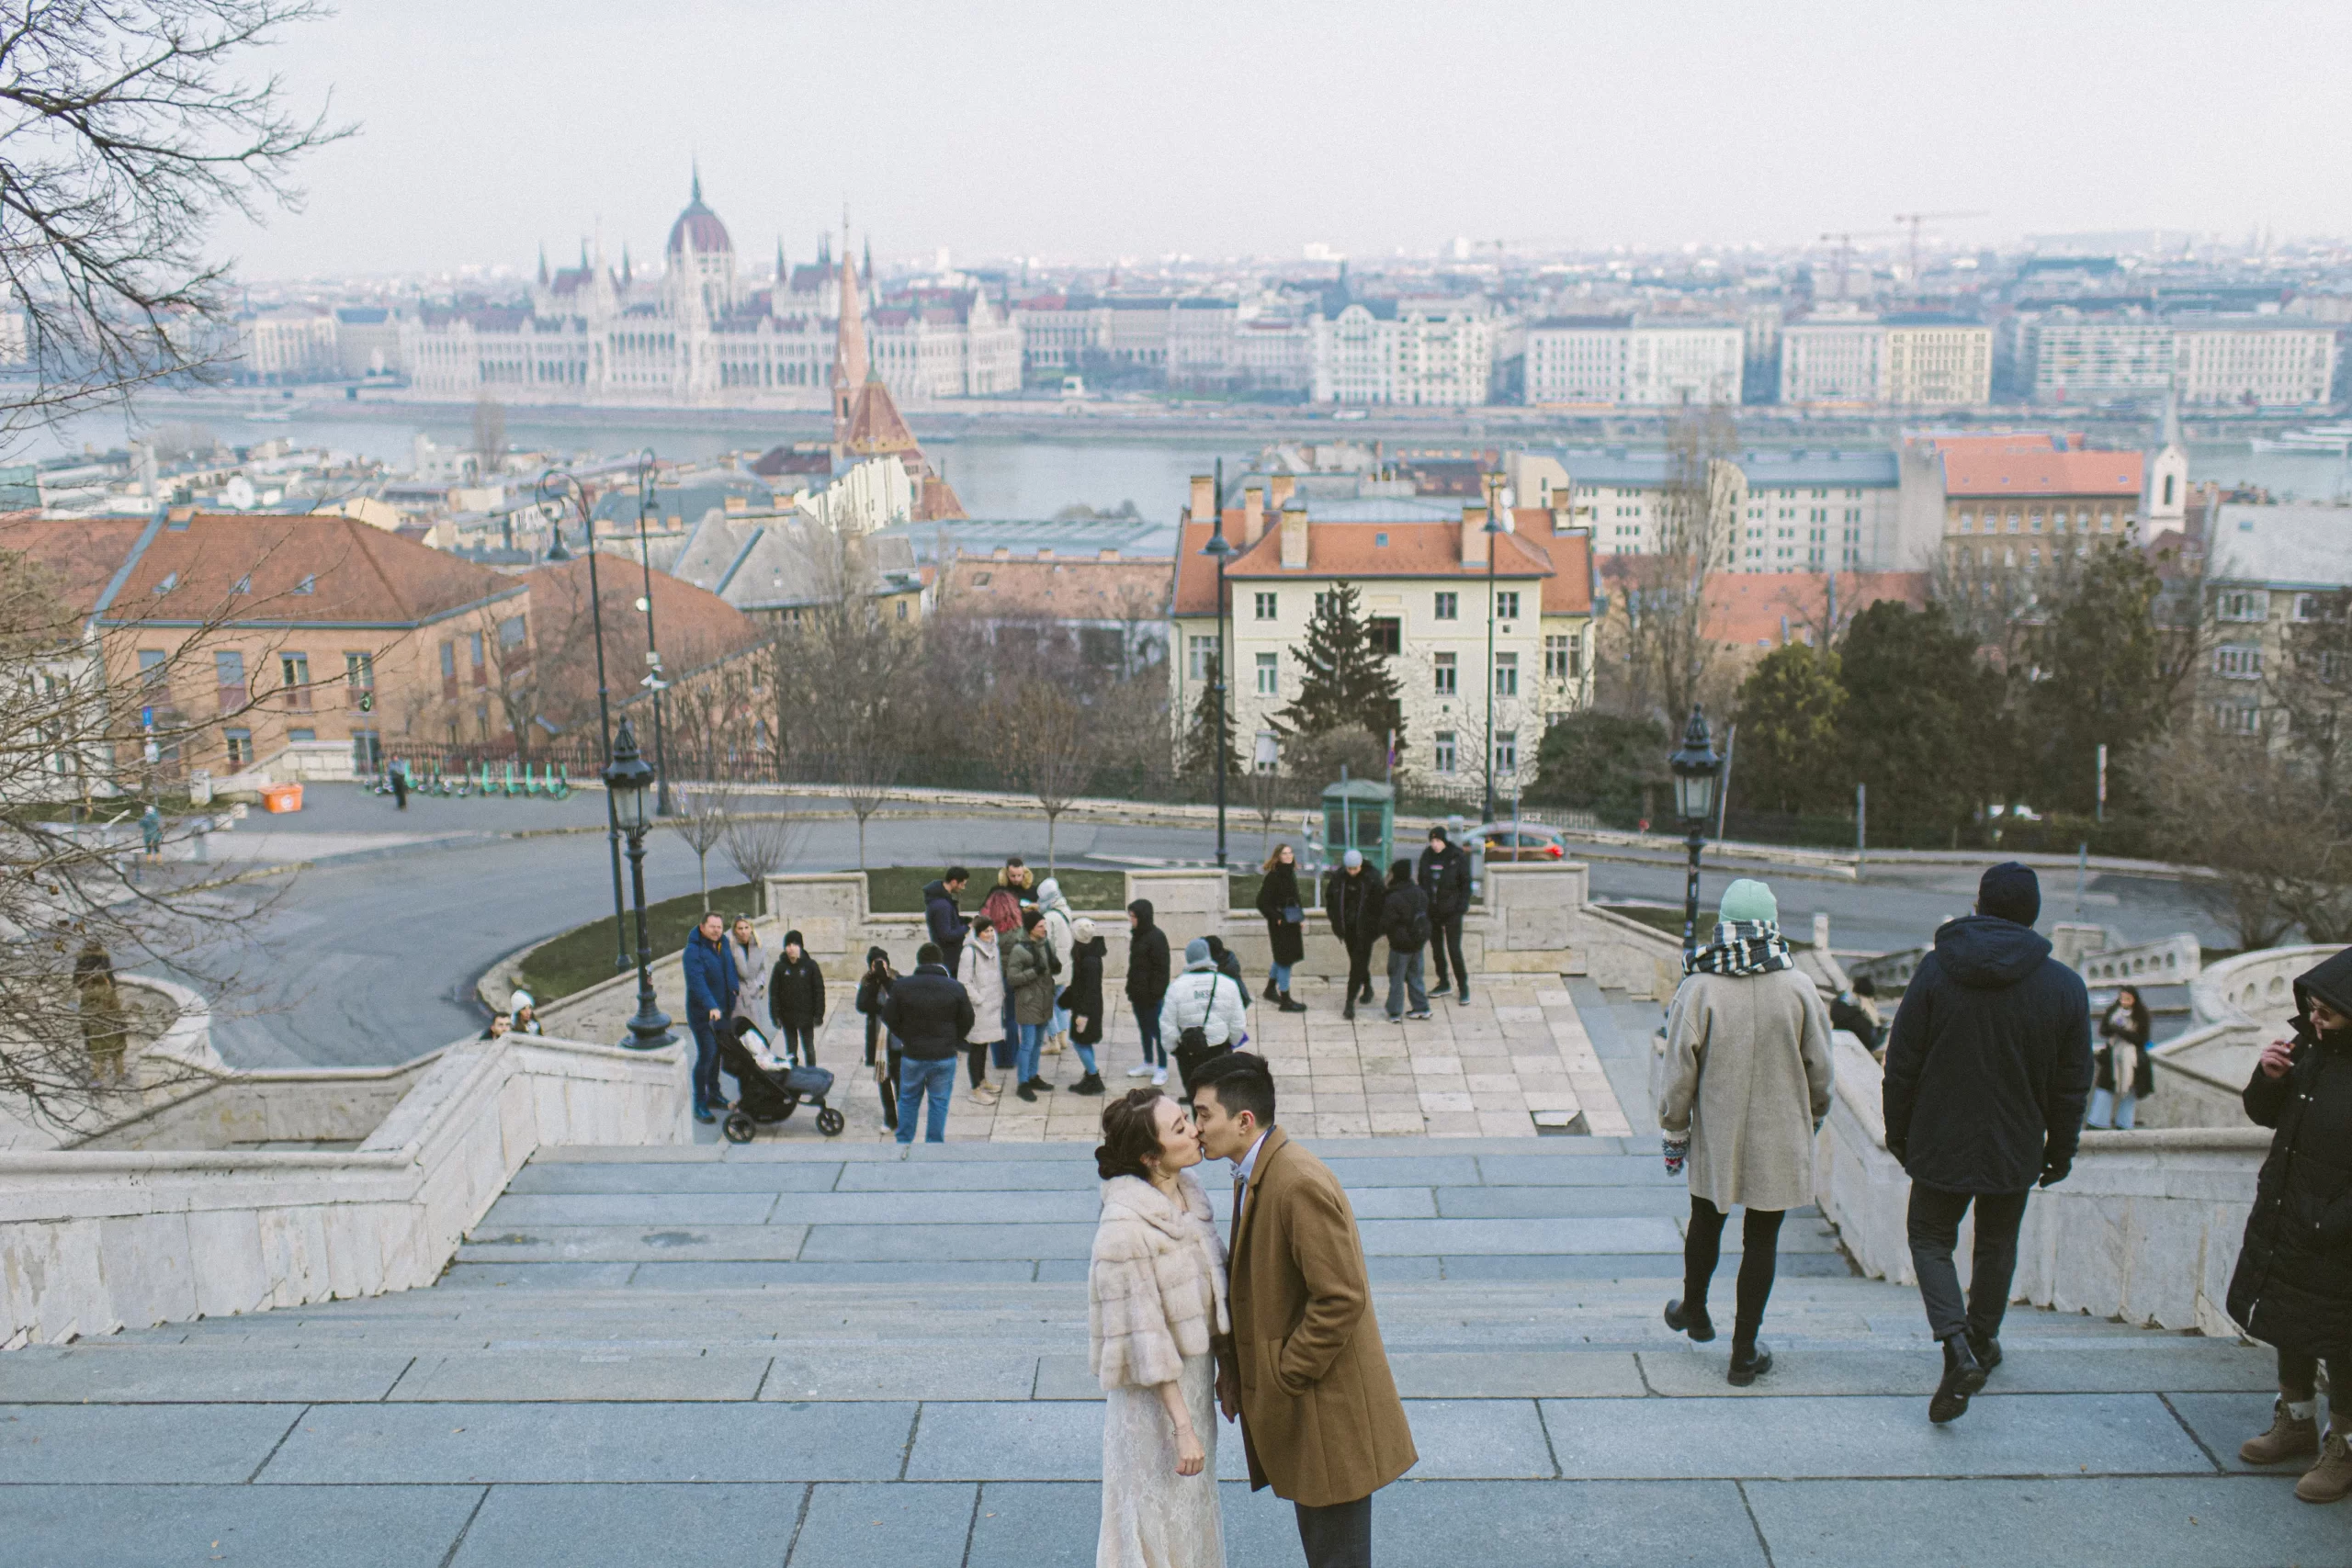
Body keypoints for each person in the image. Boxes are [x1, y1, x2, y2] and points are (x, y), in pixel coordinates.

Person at [1883, 862, 2091, 1425]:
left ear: (1977, 907)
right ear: (2033, 916)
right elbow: (2073, 1084)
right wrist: (2061, 1150)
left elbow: (1901, 1063)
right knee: (1997, 1245)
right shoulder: (2065, 987)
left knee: (1929, 1238)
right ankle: (1981, 1342)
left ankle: (1956, 1347)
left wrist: (1897, 1131)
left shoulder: (1935, 971)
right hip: (2016, 1140)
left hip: (1938, 1135)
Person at [1193, 1053, 1416, 1566]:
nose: (1197, 1126)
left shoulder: (1296, 1182)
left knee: (1337, 1557)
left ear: (1243, 1121)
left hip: (1327, 1413)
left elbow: (1341, 1295)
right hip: (1313, 1410)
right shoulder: (1255, 1172)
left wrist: (1284, 1373)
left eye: (1205, 1114)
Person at [1657, 879, 1835, 1386]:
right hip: (1779, 1132)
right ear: (1772, 926)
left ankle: (1694, 1309)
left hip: (1718, 1130)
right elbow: (1820, 1070)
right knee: (1763, 1237)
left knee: (1705, 1221)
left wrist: (1675, 1128)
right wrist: (1813, 1116)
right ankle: (1743, 1352)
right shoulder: (1799, 987)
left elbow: (1678, 1074)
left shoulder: (1700, 987)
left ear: (1725, 925)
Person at [2228, 947, 2352, 1503]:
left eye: (2328, 1009)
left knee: (2343, 1337)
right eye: (2314, 1005)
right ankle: (2296, 1421)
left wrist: (2335, 1220)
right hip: (2289, 1211)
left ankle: (2343, 1446)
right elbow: (2266, 1113)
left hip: (2339, 1229)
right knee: (2287, 1317)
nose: (2316, 1016)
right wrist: (2270, 1076)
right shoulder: (2311, 1046)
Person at [1092, 1088, 1228, 1566]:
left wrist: (1224, 1373)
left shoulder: (1191, 1196)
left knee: (1190, 1515)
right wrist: (1183, 1427)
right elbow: (1145, 1341)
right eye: (1179, 1128)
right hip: (1155, 1407)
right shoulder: (1123, 1230)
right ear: (1151, 1157)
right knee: (1153, 1524)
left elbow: (1216, 1295)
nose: (1195, 1130)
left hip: (1191, 1387)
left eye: (1188, 1119)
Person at [881, 942, 975, 1145]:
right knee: (939, 1101)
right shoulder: (955, 988)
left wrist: (905, 1035)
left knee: (908, 1099)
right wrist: (954, 1039)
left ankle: (904, 1142)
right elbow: (968, 1019)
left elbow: (888, 1017)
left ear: (919, 961)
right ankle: (934, 1145)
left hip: (913, 1054)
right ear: (940, 961)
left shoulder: (902, 987)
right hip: (944, 1055)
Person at [1163, 936, 1248, 1083]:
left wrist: (1175, 1049)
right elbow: (1238, 1023)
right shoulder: (1228, 984)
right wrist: (1230, 1043)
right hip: (1219, 1049)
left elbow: (1167, 1025)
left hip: (1188, 1051)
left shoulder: (1176, 987)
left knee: (1196, 1098)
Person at [681, 910, 739, 1124]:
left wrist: (734, 989)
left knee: (718, 1054)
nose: (716, 931)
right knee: (707, 1054)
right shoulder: (693, 952)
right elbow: (697, 983)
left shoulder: (722, 944)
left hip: (723, 1011)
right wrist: (711, 1005)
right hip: (703, 1015)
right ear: (702, 927)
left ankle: (714, 1094)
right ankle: (699, 1102)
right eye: (713, 927)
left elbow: (730, 968)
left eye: (719, 927)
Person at [1004, 909, 1059, 1102]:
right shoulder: (1020, 950)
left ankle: (1033, 1076)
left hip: (1044, 999)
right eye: (1040, 926)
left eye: (1045, 925)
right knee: (1027, 1044)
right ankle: (1023, 1083)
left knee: (1037, 1042)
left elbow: (1051, 968)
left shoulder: (1047, 944)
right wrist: (1034, 971)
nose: (1044, 929)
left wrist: (1055, 965)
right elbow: (1012, 978)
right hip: (1028, 1001)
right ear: (1030, 929)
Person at [1324, 850, 1384, 1022]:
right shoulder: (1339, 878)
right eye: (1349, 869)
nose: (1352, 872)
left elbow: (1381, 903)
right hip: (1347, 929)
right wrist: (1334, 919)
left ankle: (1349, 1002)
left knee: (1357, 964)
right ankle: (1368, 987)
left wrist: (1374, 926)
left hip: (1366, 930)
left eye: (1355, 869)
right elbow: (1331, 899)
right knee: (1357, 962)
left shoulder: (1372, 878)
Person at [1415, 826, 1473, 1005]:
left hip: (1452, 911)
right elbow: (1422, 880)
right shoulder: (1427, 856)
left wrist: (1461, 907)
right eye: (1432, 841)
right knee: (1437, 949)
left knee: (1454, 949)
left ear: (1444, 841)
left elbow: (1465, 883)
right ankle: (1444, 982)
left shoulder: (1456, 856)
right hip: (1432, 911)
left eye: (1438, 841)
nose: (1435, 845)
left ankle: (1463, 987)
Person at [2087, 986, 2154, 1131]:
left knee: (2128, 1091)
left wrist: (2121, 1031)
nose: (2124, 1001)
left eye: (2127, 999)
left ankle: (2124, 1123)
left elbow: (2141, 1039)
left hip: (2132, 1060)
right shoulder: (2113, 1011)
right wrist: (2114, 1029)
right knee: (2104, 1090)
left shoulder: (2141, 1016)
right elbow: (2103, 1030)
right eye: (2122, 998)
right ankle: (2098, 1122)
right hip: (2111, 1058)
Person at [957, 917, 1008, 1105]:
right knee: (977, 1047)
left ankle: (983, 1080)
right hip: (979, 1007)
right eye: (985, 931)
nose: (989, 934)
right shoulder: (969, 952)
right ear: (977, 933)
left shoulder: (993, 947)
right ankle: (975, 1088)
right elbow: (964, 981)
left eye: (991, 930)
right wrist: (979, 999)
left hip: (992, 1005)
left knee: (984, 1045)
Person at [1255, 844, 1310, 1014]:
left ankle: (1270, 990)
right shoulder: (1274, 876)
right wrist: (1277, 918)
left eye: (1290, 853)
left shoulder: (1290, 873)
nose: (1288, 856)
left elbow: (1295, 898)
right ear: (1278, 857)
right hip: (1280, 923)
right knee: (1285, 959)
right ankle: (1285, 1000)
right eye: (1284, 853)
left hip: (1291, 921)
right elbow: (1262, 902)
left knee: (1283, 957)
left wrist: (1299, 917)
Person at [1125, 899, 1171, 1083]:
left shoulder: (1157, 937)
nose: (1131, 920)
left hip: (1152, 997)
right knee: (1144, 1030)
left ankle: (1162, 1067)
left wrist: (1155, 994)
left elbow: (1162, 969)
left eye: (1133, 916)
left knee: (1158, 1032)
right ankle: (1148, 1062)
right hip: (1138, 994)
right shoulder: (1137, 935)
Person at [1061, 915, 1109, 1096]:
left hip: (1086, 1008)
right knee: (1084, 1040)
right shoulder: (1091, 954)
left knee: (1080, 1042)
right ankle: (1089, 1075)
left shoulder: (1088, 960)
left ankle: (1093, 1077)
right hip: (1089, 1006)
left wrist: (1083, 1015)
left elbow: (1088, 990)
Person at [1379, 858, 1430, 1023]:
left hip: (1400, 945)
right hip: (1418, 942)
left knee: (1396, 978)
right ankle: (1422, 1008)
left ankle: (1394, 1012)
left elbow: (1385, 923)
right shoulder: (1420, 892)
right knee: (1416, 975)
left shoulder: (1394, 897)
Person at [855, 946, 900, 1131]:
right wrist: (875, 981)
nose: (881, 966)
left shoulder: (898, 978)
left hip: (897, 1040)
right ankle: (890, 1119)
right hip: (879, 1041)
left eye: (883, 962)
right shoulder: (867, 982)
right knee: (883, 1080)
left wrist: (885, 979)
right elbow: (863, 1005)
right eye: (876, 963)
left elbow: (899, 999)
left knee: (900, 1080)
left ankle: (904, 1116)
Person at [767, 930, 825, 1069]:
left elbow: (819, 991)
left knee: (809, 1049)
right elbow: (773, 993)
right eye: (788, 945)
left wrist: (818, 1015)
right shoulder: (780, 967)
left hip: (806, 1017)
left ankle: (812, 1074)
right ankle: (793, 1077)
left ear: (800, 946)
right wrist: (775, 1016)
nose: (791, 948)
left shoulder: (810, 966)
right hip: (788, 1018)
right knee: (791, 1051)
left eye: (794, 944)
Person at [75, 937, 127, 1086]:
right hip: (111, 1026)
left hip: (95, 1027)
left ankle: (97, 1080)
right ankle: (120, 1075)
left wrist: (84, 1027)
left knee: (98, 1056)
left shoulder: (86, 994)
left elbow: (83, 1013)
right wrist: (122, 1025)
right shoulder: (109, 991)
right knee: (117, 1052)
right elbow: (117, 1009)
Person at [1037, 875, 1078, 1056]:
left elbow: (1045, 943)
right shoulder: (1065, 911)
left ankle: (1052, 1040)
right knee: (1061, 1004)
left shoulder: (1049, 917)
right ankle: (1063, 1038)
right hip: (1065, 966)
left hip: (1051, 969)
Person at [924, 867, 972, 975]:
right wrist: (968, 927)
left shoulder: (941, 901)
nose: (963, 888)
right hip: (949, 960)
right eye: (962, 884)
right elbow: (947, 935)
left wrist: (964, 921)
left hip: (947, 957)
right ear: (954, 882)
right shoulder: (942, 905)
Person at [726, 915, 767, 1038]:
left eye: (746, 927)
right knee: (738, 1034)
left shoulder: (759, 946)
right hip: (737, 995)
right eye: (740, 928)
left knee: (756, 1034)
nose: (743, 931)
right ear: (735, 930)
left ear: (751, 928)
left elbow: (763, 970)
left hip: (753, 994)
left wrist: (758, 985)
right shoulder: (729, 947)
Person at [980, 858, 1034, 950]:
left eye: (1019, 875)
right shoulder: (997, 891)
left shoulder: (1032, 891)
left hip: (1027, 934)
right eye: (1013, 876)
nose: (1016, 879)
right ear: (1006, 874)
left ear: (1024, 873)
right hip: (1003, 933)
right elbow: (985, 910)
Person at [1829, 975, 1884, 1057]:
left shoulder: (1838, 1007)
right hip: (1857, 1054)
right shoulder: (1860, 1019)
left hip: (1839, 1051)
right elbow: (1871, 1044)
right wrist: (1877, 1025)